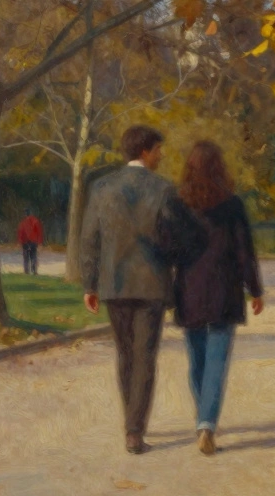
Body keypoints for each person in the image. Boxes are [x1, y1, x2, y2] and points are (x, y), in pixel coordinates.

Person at [80, 125, 199, 455]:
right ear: (145, 151)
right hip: (151, 283)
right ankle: (134, 430)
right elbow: (178, 239)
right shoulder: (164, 189)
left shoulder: (102, 188)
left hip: (114, 283)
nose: (161, 155)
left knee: (125, 354)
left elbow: (90, 238)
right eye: (158, 149)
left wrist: (89, 283)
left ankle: (130, 424)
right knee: (145, 356)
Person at [166, 140, 264, 456]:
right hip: (224, 289)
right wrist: (256, 289)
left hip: (190, 289)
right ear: (219, 167)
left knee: (197, 359)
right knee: (217, 361)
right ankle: (206, 423)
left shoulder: (178, 204)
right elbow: (244, 252)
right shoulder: (233, 204)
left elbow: (170, 251)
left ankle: (203, 418)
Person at [17, 209, 43, 275]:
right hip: (33, 242)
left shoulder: (23, 222)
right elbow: (39, 232)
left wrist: (20, 242)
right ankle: (34, 271)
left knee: (26, 257)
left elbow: (21, 232)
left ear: (25, 214)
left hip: (25, 242)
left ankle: (26, 271)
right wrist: (39, 242)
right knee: (33, 256)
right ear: (31, 213)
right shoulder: (36, 221)